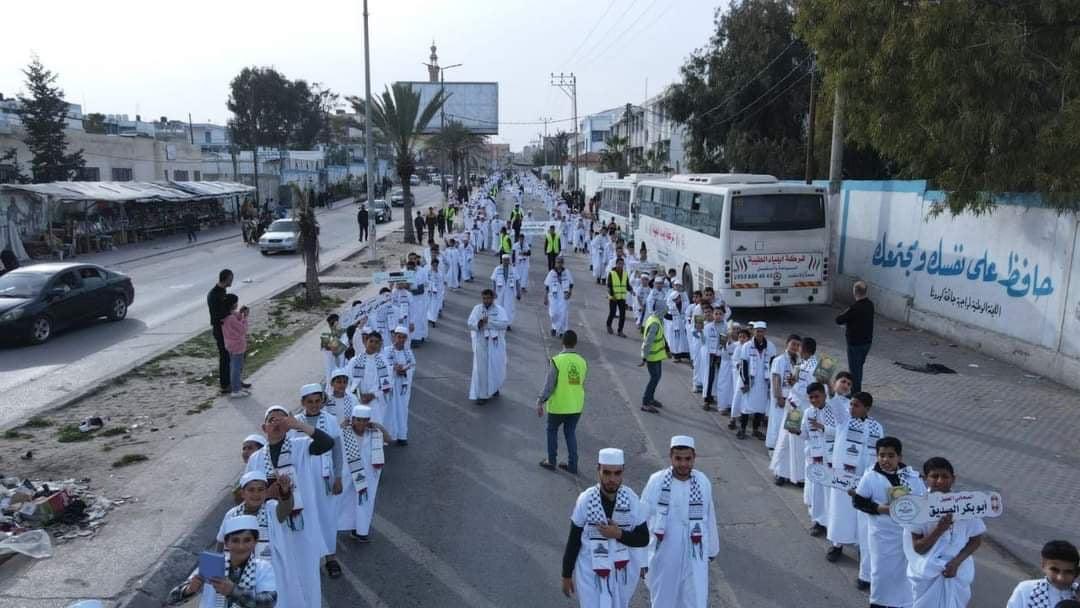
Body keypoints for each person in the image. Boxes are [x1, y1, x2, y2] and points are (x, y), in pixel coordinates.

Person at [245, 406, 335, 579]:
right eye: (272, 420)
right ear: (264, 428)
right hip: (272, 521)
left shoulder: (300, 446)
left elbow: (327, 443)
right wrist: (267, 495)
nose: (277, 422)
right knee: (280, 573)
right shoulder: (255, 458)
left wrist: (299, 425)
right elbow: (247, 492)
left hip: (301, 518)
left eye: (283, 419)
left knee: (305, 571)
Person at [560, 448, 650, 607]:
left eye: (617, 473)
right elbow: (574, 539)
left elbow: (643, 538)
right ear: (598, 471)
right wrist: (566, 575)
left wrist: (619, 534)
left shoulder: (631, 499)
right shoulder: (586, 499)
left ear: (622, 473)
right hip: (590, 571)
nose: (612, 479)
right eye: (607, 473)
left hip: (622, 573)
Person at [641, 436, 720, 608]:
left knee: (694, 599)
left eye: (687, 459)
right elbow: (641, 519)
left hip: (695, 554)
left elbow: (709, 516)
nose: (683, 464)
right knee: (663, 599)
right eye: (678, 458)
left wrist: (712, 549)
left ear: (694, 457)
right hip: (665, 555)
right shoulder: (657, 481)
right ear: (671, 457)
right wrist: (641, 558)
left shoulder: (702, 482)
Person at [218, 471, 316, 608]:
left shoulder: (271, 509)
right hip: (239, 569)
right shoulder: (231, 514)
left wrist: (285, 491)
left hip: (271, 569)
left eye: (260, 490)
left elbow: (285, 508)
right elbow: (221, 541)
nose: (256, 494)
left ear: (266, 492)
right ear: (242, 493)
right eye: (251, 490)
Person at [852, 437, 927, 608]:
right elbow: (858, 502)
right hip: (883, 535)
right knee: (882, 571)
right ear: (877, 456)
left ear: (899, 457)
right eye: (882, 455)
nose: (886, 460)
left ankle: (903, 603)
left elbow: (923, 501)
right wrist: (881, 509)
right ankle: (879, 603)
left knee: (905, 573)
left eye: (891, 456)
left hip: (909, 534)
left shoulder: (912, 476)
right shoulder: (871, 477)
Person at [904, 457, 984, 608]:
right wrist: (939, 529)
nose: (940, 481)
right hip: (927, 573)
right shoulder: (917, 508)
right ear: (925, 478)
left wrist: (956, 563)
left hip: (958, 572)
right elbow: (918, 548)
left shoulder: (966, 504)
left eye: (945, 476)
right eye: (934, 476)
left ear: (953, 479)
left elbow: (976, 540)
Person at [825, 391, 884, 592]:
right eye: (850, 404)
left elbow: (880, 454)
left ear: (867, 408)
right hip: (843, 477)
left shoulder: (877, 426)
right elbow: (833, 403)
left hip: (864, 480)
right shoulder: (844, 421)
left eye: (856, 405)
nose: (851, 408)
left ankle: (860, 547)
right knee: (840, 512)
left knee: (862, 518)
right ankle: (837, 545)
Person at [167, 515, 277, 607]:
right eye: (235, 540)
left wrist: (233, 591)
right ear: (226, 543)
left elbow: (269, 602)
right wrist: (190, 589)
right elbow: (172, 598)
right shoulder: (212, 564)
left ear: (255, 542)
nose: (241, 546)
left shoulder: (263, 568)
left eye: (247, 540)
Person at [294, 384, 344, 575]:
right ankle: (310, 556)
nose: (314, 405)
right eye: (310, 402)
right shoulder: (295, 423)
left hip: (325, 479)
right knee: (306, 517)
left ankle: (330, 557)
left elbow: (337, 451)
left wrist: (338, 476)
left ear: (322, 401)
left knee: (327, 517)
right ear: (302, 403)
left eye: (317, 401)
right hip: (302, 481)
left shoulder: (330, 420)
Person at [337, 404, 390, 542]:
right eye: (358, 420)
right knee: (342, 501)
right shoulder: (344, 433)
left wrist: (378, 426)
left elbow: (389, 439)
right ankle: (335, 526)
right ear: (353, 419)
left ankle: (361, 530)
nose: (361, 423)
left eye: (365, 420)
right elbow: (332, 442)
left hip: (368, 475)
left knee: (364, 502)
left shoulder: (373, 434)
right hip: (348, 473)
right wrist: (340, 427)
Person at [770, 336, 818, 485]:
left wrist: (793, 384)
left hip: (798, 409)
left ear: (804, 349)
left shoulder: (808, 368)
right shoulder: (806, 364)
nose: (797, 349)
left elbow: (806, 391)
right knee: (787, 440)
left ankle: (794, 475)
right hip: (796, 407)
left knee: (794, 442)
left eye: (800, 347)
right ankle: (782, 472)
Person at [537, 330, 587, 474]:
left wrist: (540, 401)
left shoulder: (557, 361)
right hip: (576, 406)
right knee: (570, 433)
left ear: (562, 342)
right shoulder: (582, 362)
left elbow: (549, 385)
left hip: (559, 406)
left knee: (552, 430)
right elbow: (581, 382)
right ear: (575, 344)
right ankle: (573, 464)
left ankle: (551, 461)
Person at [733, 321, 776, 440]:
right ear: (754, 332)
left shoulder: (771, 346)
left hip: (764, 382)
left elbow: (773, 364)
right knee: (746, 406)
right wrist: (745, 382)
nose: (759, 333)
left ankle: (755, 430)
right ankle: (742, 429)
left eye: (761, 331)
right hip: (750, 381)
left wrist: (771, 383)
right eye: (757, 331)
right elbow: (743, 364)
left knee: (760, 407)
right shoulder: (747, 346)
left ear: (765, 332)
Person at [1005, 540, 1079, 607]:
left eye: (1068, 572)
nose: (1060, 578)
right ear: (1043, 565)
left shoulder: (1078, 593)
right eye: (1055, 570)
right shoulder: (1026, 590)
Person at [346, 329, 394, 432]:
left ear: (380, 345)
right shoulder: (355, 361)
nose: (373, 344)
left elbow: (388, 386)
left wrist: (373, 395)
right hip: (357, 400)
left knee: (375, 430)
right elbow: (348, 382)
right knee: (357, 430)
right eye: (371, 341)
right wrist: (359, 396)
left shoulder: (384, 362)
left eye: (377, 342)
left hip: (376, 402)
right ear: (365, 341)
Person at [468, 289, 510, 404]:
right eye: (484, 298)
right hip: (481, 342)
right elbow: (470, 324)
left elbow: (504, 324)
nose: (486, 300)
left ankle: (495, 387)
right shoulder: (477, 309)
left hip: (495, 343)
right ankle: (482, 395)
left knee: (496, 367)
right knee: (481, 369)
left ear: (492, 298)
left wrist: (489, 323)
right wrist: (480, 324)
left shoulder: (499, 310)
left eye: (488, 298)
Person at [836, 280, 874, 393]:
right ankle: (856, 391)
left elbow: (839, 320)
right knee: (859, 368)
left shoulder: (854, 307)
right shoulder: (870, 304)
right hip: (867, 342)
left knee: (854, 370)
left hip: (855, 344)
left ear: (854, 292)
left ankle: (855, 393)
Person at [207, 269, 241, 396]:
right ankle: (225, 384)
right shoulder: (214, 295)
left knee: (233, 356)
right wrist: (231, 313)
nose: (232, 281)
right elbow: (217, 315)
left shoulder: (222, 292)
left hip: (226, 328)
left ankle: (235, 381)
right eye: (231, 279)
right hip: (219, 330)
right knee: (225, 356)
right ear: (226, 278)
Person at [383, 326, 415, 446]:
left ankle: (402, 435)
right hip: (390, 387)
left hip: (402, 387)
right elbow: (383, 367)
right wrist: (393, 370)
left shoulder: (408, 353)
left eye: (403, 337)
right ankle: (387, 436)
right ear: (394, 337)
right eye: (398, 337)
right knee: (389, 410)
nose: (400, 339)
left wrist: (405, 371)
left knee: (402, 410)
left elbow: (412, 366)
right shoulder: (386, 351)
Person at [767, 334, 801, 449]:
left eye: (797, 345)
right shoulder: (779, 360)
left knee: (786, 424)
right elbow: (776, 378)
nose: (795, 347)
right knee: (776, 422)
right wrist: (779, 397)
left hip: (791, 398)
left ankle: (781, 448)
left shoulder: (798, 361)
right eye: (793, 344)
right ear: (787, 344)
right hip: (781, 397)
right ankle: (772, 446)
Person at [640, 299, 669, 413]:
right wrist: (644, 357)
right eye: (665, 309)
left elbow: (660, 337)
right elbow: (648, 342)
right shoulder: (655, 324)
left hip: (656, 356)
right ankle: (645, 403)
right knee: (654, 378)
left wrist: (667, 348)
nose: (666, 311)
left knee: (657, 377)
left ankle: (650, 399)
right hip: (651, 357)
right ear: (661, 310)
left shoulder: (655, 319)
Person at [221, 295, 250, 398]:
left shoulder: (226, 316)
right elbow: (243, 329)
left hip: (229, 344)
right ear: (233, 304)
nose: (237, 304)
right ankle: (236, 390)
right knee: (236, 368)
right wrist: (245, 317)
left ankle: (236, 387)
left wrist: (241, 313)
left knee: (233, 366)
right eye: (236, 303)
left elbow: (236, 316)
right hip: (237, 345)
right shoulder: (231, 318)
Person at [544, 256, 574, 338]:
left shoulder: (567, 272)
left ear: (563, 263)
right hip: (553, 297)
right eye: (558, 262)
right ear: (555, 263)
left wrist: (570, 293)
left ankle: (561, 331)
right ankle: (554, 326)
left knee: (563, 314)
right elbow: (547, 286)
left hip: (564, 296)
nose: (559, 264)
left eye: (561, 262)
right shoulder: (551, 273)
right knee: (553, 314)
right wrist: (545, 297)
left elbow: (571, 284)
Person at [490, 254, 521, 328]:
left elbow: (517, 281)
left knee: (509, 308)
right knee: (499, 306)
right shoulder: (497, 269)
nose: (506, 261)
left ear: (509, 261)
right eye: (504, 260)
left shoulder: (513, 269)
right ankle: (499, 322)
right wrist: (493, 291)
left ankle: (508, 324)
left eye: (507, 260)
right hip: (499, 292)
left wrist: (518, 292)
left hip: (510, 292)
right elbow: (493, 280)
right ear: (502, 260)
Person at [320, 313, 349, 387]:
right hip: (331, 375)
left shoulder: (346, 335)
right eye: (332, 324)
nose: (334, 325)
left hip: (345, 372)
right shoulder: (325, 337)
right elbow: (335, 350)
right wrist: (337, 333)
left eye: (336, 323)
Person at [606, 256, 632, 337]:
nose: (620, 266)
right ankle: (608, 325)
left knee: (623, 315)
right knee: (612, 313)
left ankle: (620, 331)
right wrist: (612, 295)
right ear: (616, 264)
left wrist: (631, 290)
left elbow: (627, 284)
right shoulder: (611, 273)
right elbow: (609, 285)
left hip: (622, 297)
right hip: (613, 297)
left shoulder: (625, 274)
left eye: (622, 264)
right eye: (619, 264)